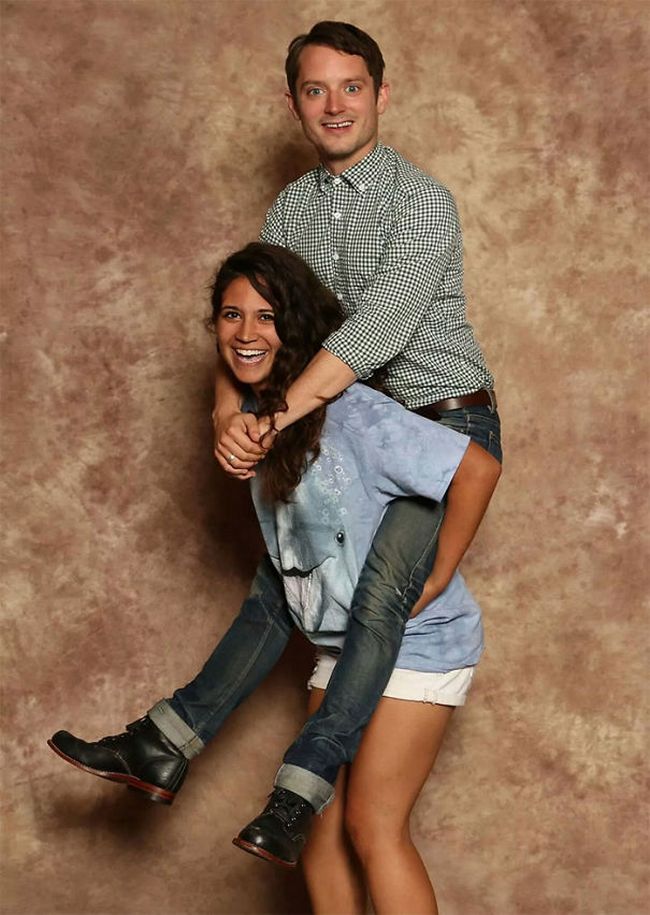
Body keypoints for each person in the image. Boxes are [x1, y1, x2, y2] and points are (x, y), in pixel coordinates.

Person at [49, 243, 500, 913]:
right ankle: (161, 743)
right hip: (342, 641)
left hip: (420, 644)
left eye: (266, 316)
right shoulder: (259, 425)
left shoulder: (353, 412)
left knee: (372, 827)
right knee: (318, 836)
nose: (246, 332)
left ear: (297, 327)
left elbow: (477, 467)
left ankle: (165, 745)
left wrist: (440, 571)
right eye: (231, 315)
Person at [211, 21, 502, 860]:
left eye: (351, 87)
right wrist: (227, 412)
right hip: (356, 438)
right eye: (316, 89)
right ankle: (168, 741)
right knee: (280, 585)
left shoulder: (422, 202)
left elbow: (371, 336)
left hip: (443, 424)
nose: (334, 105)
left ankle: (297, 793)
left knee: (378, 605)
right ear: (293, 103)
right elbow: (256, 323)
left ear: (381, 94)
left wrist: (272, 417)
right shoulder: (289, 210)